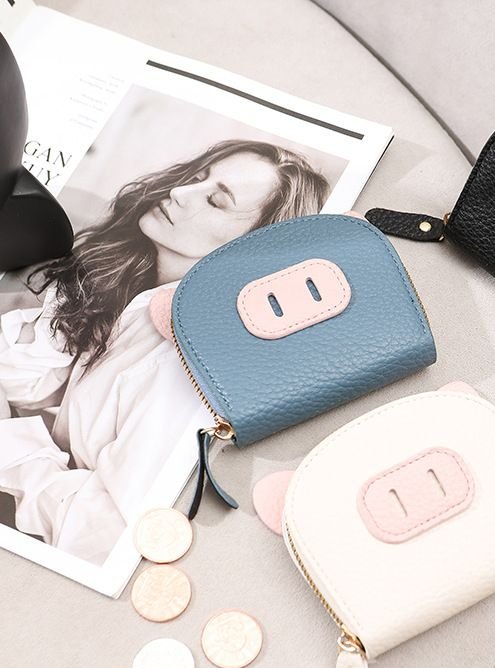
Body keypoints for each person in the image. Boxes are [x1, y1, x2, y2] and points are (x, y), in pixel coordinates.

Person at [0, 140, 329, 563]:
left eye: (215, 200)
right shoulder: (135, 287)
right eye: (197, 177)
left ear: (249, 247)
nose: (179, 192)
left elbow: (108, 538)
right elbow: (35, 377)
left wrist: (12, 444)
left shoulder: (185, 364)